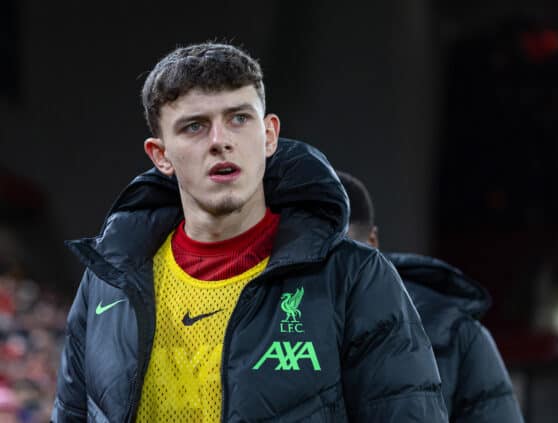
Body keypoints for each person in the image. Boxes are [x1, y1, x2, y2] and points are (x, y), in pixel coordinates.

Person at [51, 43, 448, 422]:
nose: (220, 141)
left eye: (239, 118)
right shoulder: (106, 286)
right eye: (194, 126)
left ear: (269, 135)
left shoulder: (354, 278)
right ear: (160, 155)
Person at [337, 170, 525, 423]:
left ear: (372, 242)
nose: (329, 273)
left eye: (340, 255)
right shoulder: (280, 329)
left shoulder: (457, 335)